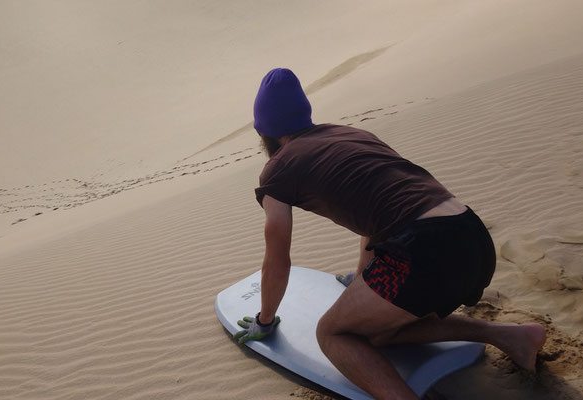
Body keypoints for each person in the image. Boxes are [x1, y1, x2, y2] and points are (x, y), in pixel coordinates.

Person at [233, 68, 547, 400]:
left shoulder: (278, 169)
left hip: (422, 251)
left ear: (266, 133)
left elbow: (278, 258)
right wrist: (361, 281)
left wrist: (265, 321)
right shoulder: (349, 134)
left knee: (331, 334)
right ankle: (511, 337)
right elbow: (380, 216)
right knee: (380, 333)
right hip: (472, 238)